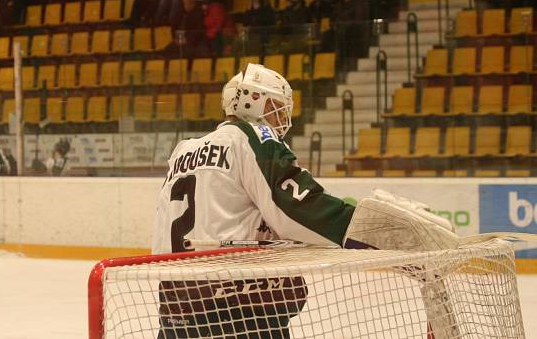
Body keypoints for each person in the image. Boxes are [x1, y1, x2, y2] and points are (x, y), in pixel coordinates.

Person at [152, 63, 459, 338]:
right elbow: (297, 207)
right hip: (236, 312)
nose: (282, 118)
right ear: (249, 100)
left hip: (176, 305)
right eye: (275, 106)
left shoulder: (184, 150)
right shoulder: (252, 136)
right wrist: (372, 232)